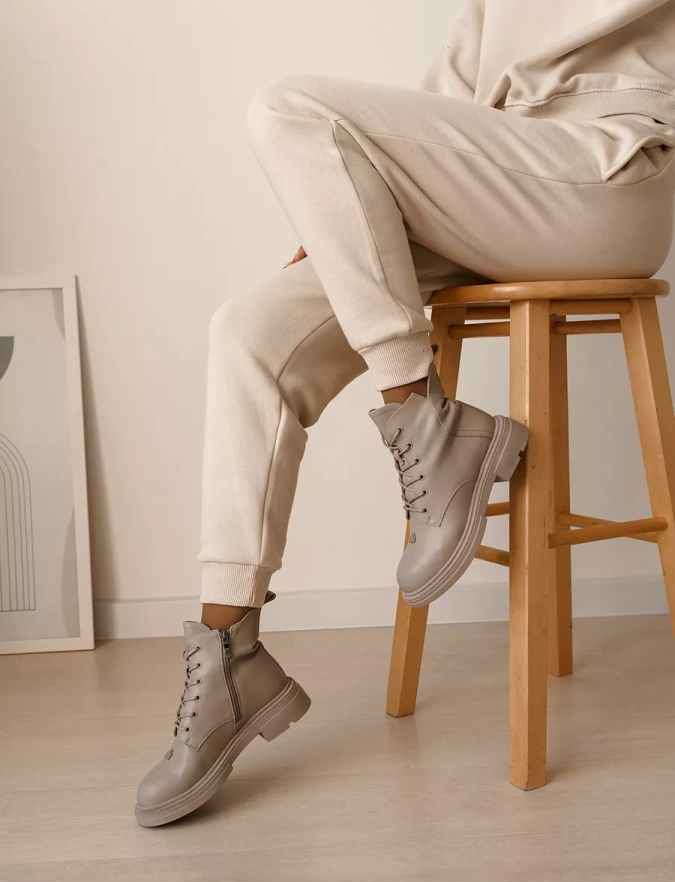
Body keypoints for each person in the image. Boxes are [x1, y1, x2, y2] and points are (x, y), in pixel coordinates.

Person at [135, 0, 675, 826]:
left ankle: (422, 413)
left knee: (289, 106)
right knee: (247, 330)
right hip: (492, 175)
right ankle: (229, 652)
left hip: (608, 173)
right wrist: (339, 201)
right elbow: (451, 97)